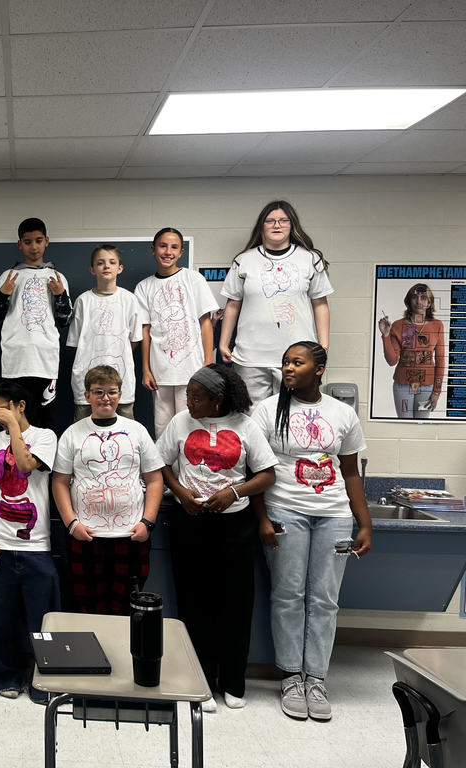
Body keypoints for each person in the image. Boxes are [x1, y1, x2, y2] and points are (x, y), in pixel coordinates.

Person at [251, 341, 371, 722]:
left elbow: (351, 472)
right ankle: (291, 677)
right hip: (285, 510)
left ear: (318, 370)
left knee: (324, 600)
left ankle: (316, 678)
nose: (288, 368)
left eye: (297, 363)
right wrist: (262, 518)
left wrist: (364, 522)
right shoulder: (267, 410)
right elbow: (255, 471)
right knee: (288, 596)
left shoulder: (341, 413)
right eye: (285, 362)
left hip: (334, 514)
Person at [156, 364, 277, 713]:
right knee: (194, 605)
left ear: (218, 399)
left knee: (236, 606)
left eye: (196, 397)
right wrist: (179, 491)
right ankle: (201, 682)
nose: (190, 402)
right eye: (189, 396)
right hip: (189, 524)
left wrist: (235, 493)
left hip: (235, 529)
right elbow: (160, 462)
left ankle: (233, 682)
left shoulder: (245, 425)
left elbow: (267, 474)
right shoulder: (181, 422)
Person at [52, 365, 165, 616]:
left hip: (131, 536)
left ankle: (122, 657)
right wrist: (71, 524)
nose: (106, 397)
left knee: (128, 611)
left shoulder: (137, 431)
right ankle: (91, 657)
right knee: (87, 608)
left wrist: (148, 522)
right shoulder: (72, 434)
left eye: (112, 392)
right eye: (99, 391)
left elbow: (155, 479)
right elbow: (59, 481)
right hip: (86, 536)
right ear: (87, 396)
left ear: (120, 394)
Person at [0, 380, 59, 702]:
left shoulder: (45, 436)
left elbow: (25, 466)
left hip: (35, 545)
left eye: (2, 408)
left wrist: (13, 426)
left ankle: (45, 683)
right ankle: (1, 678)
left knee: (43, 620)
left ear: (20, 405)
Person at [219, 201, 333, 404]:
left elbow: (320, 303)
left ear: (292, 225)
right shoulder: (244, 260)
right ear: (262, 226)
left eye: (283, 220)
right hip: (250, 357)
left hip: (297, 357)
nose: (277, 225)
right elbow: (233, 303)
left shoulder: (309, 259)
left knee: (293, 415)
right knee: (251, 418)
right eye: (270, 221)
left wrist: (323, 346)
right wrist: (224, 342)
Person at [0, 217, 72, 428]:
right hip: (15, 361)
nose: (34, 247)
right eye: (28, 242)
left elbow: (65, 320)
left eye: (38, 240)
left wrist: (60, 295)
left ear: (47, 241)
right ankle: (14, 460)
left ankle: (41, 461)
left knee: (44, 419)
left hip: (46, 360)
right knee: (14, 420)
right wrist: (4, 294)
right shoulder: (8, 276)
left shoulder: (56, 277)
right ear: (19, 244)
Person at [135, 228, 218, 436]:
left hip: (192, 368)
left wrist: (208, 362)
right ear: (153, 250)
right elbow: (145, 330)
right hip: (160, 370)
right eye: (163, 246)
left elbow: (205, 322)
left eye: (174, 247)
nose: (168, 252)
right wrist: (146, 369)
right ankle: (165, 469)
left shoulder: (193, 279)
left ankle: (189, 468)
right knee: (163, 427)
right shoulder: (144, 287)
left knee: (191, 423)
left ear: (181, 252)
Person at [66, 245, 142, 421]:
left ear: (120, 268)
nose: (106, 266)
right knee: (83, 430)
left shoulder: (129, 300)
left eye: (112, 262)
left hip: (121, 378)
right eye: (100, 263)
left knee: (125, 430)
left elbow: (134, 339)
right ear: (92, 269)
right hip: (87, 378)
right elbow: (76, 342)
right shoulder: (83, 301)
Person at [377, 283, 446, 419]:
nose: (419, 302)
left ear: (429, 302)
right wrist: (385, 335)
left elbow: (440, 360)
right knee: (404, 425)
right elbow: (392, 361)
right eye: (415, 297)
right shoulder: (398, 325)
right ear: (409, 300)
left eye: (424, 298)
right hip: (403, 386)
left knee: (421, 426)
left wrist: (437, 391)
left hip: (427, 387)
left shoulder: (437, 325)